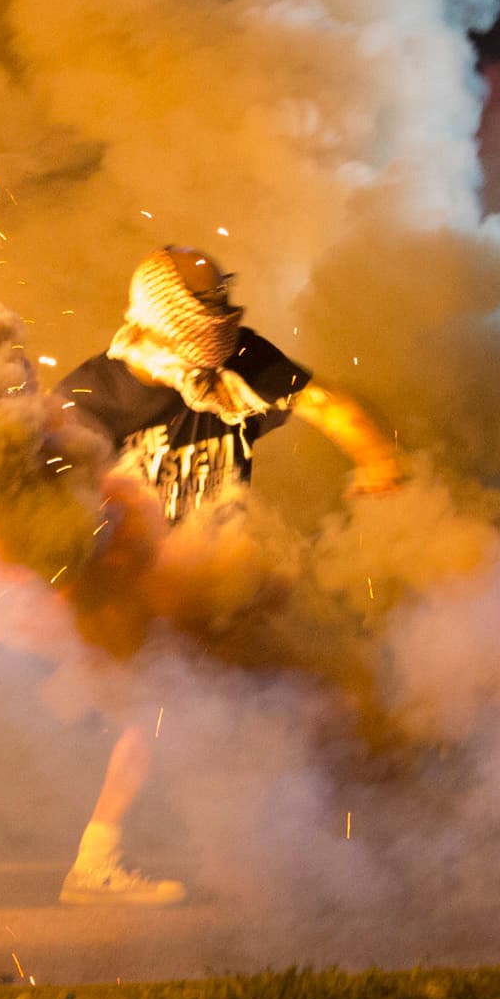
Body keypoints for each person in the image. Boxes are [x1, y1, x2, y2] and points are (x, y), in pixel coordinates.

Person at [47, 246, 403, 906]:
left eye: (219, 305)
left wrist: (376, 456)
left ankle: (314, 856)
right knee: (161, 708)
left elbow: (326, 405)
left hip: (222, 570)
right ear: (162, 314)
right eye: (200, 308)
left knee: (293, 693)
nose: (216, 321)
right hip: (141, 581)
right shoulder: (101, 391)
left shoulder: (239, 366)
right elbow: (40, 482)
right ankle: (96, 863)